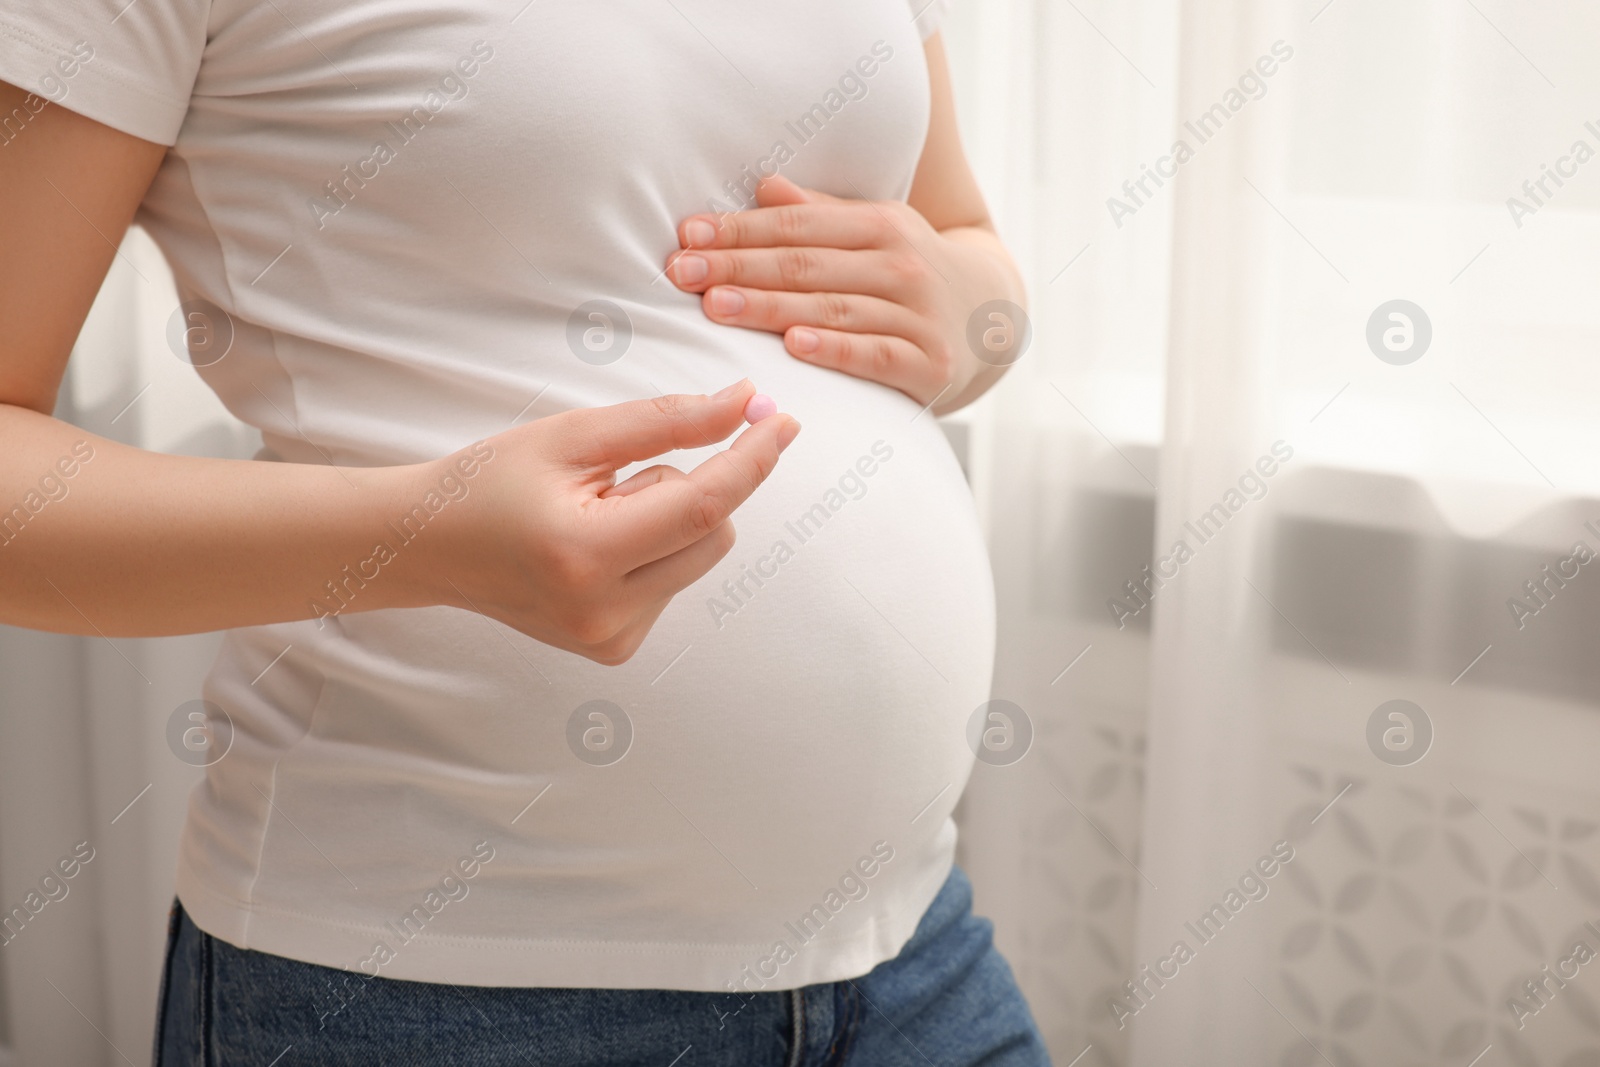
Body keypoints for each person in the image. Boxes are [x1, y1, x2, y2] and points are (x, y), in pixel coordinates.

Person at [0, 0, 1045, 1062]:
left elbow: (965, 247)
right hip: (434, 988)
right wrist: (427, 536)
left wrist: (964, 311)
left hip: (907, 945)